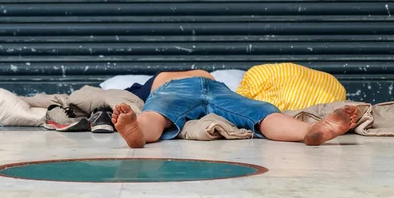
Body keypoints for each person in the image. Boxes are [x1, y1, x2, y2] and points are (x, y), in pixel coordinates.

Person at [112, 70, 357, 149]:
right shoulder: (142, 86)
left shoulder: (146, 85)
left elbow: (144, 101)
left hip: (186, 90)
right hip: (216, 90)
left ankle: (139, 129)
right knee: (260, 112)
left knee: (156, 114)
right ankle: (306, 130)